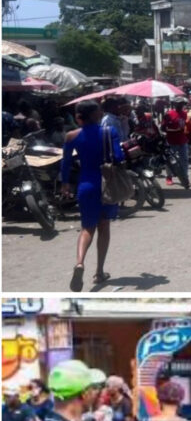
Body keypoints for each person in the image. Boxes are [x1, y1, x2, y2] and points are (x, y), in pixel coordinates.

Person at [62, 100, 125, 291]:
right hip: (107, 185)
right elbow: (119, 157)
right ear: (97, 114)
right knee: (104, 226)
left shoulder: (71, 135)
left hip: (86, 185)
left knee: (86, 228)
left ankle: (80, 263)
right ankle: (99, 272)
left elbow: (65, 164)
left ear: (79, 116)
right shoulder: (109, 132)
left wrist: (65, 184)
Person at [162, 98, 189, 187]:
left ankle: (184, 177)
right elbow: (163, 128)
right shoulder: (168, 114)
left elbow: (186, 126)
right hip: (171, 140)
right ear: (174, 104)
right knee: (170, 160)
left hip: (182, 140)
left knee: (184, 159)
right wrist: (173, 130)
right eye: (178, 104)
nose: (180, 105)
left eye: (182, 104)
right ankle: (169, 177)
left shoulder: (185, 114)